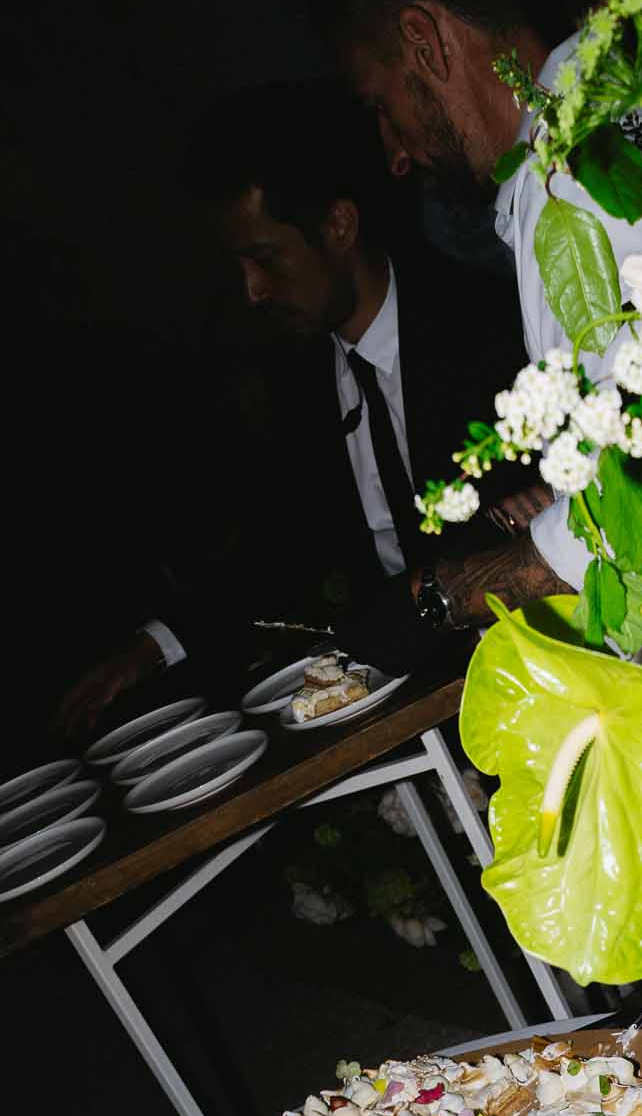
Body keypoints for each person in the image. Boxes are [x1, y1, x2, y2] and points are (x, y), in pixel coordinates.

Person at [55, 78, 535, 739]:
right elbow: (274, 541)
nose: (252, 292)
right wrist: (151, 645)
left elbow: (536, 509)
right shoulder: (295, 373)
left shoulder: (482, 325)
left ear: (338, 225)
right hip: (390, 693)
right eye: (239, 266)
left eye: (266, 259)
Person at [309, 0, 642, 634]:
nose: (393, 153)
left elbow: (640, 492)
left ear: (424, 41)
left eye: (381, 106)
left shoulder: (571, 175)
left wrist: (442, 595)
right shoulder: (620, 101)